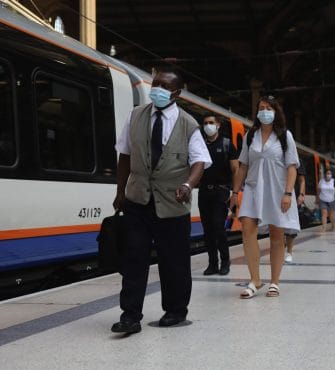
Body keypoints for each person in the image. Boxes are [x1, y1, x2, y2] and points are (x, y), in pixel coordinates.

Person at [111, 70, 212, 334]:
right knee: (134, 259)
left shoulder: (189, 124)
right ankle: (130, 316)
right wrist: (120, 192)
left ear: (177, 94)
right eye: (156, 84)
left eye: (165, 86)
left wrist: (189, 184)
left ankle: (176, 310)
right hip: (138, 200)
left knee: (174, 261)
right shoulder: (135, 116)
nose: (158, 89)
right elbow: (124, 154)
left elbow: (200, 161)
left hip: (173, 203)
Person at [230, 95, 300, 299]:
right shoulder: (250, 136)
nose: (265, 111)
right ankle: (255, 280)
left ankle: (275, 282)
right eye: (261, 108)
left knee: (276, 236)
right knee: (247, 231)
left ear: (276, 112)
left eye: (269, 108)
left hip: (277, 190)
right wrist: (235, 192)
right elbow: (243, 165)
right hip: (252, 189)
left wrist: (288, 193)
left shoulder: (285, 136)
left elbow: (292, 167)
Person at [198, 114, 238, 275]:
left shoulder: (227, 144)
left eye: (211, 123)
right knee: (207, 230)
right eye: (205, 123)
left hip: (221, 191)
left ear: (218, 125)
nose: (208, 125)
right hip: (203, 191)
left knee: (218, 227)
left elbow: (235, 170)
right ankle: (212, 263)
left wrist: (234, 192)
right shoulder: (200, 145)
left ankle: (225, 262)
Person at [284, 161, 306, 263]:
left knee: (290, 224)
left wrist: (301, 194)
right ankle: (279, 250)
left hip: (292, 195)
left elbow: (301, 180)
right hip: (276, 192)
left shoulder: (295, 157)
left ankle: (289, 252)